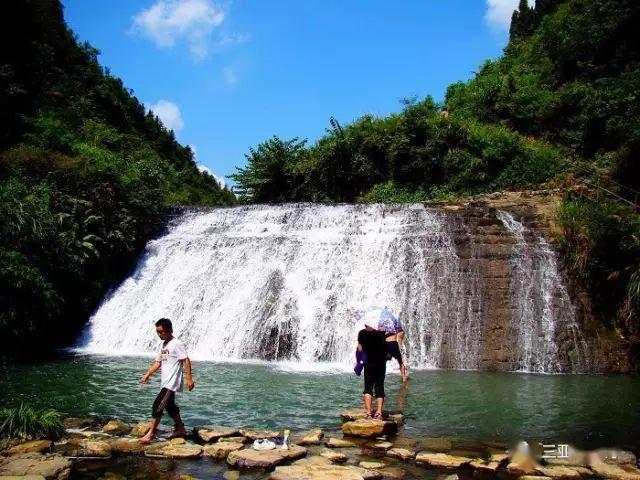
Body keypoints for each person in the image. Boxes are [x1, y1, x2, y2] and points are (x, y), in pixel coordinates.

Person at [139, 318, 195, 444]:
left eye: (161, 332)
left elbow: (186, 360)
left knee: (157, 406)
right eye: (157, 332)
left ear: (169, 330)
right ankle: (181, 429)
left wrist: (189, 379)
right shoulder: (165, 345)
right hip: (165, 382)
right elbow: (159, 362)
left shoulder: (177, 344)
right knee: (170, 407)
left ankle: (151, 434)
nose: (159, 334)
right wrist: (148, 374)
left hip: (171, 383)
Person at [357, 322, 387, 419]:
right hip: (380, 363)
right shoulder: (381, 332)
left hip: (368, 364)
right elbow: (385, 347)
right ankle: (379, 412)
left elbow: (359, 349)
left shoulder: (361, 333)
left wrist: (358, 362)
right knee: (380, 387)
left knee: (368, 388)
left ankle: (369, 413)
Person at [385, 318, 409, 382]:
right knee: (400, 362)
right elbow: (401, 333)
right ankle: (404, 377)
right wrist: (401, 345)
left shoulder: (382, 326)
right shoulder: (395, 324)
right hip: (393, 344)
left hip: (385, 345)